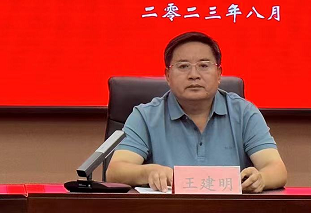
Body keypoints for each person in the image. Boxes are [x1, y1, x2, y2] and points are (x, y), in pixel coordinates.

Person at [106, 31, 288, 193]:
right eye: (183, 66)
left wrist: (261, 179)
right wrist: (149, 172)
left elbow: (276, 169)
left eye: (204, 65)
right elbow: (115, 171)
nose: (194, 75)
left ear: (219, 74)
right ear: (168, 76)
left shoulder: (244, 113)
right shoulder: (145, 116)